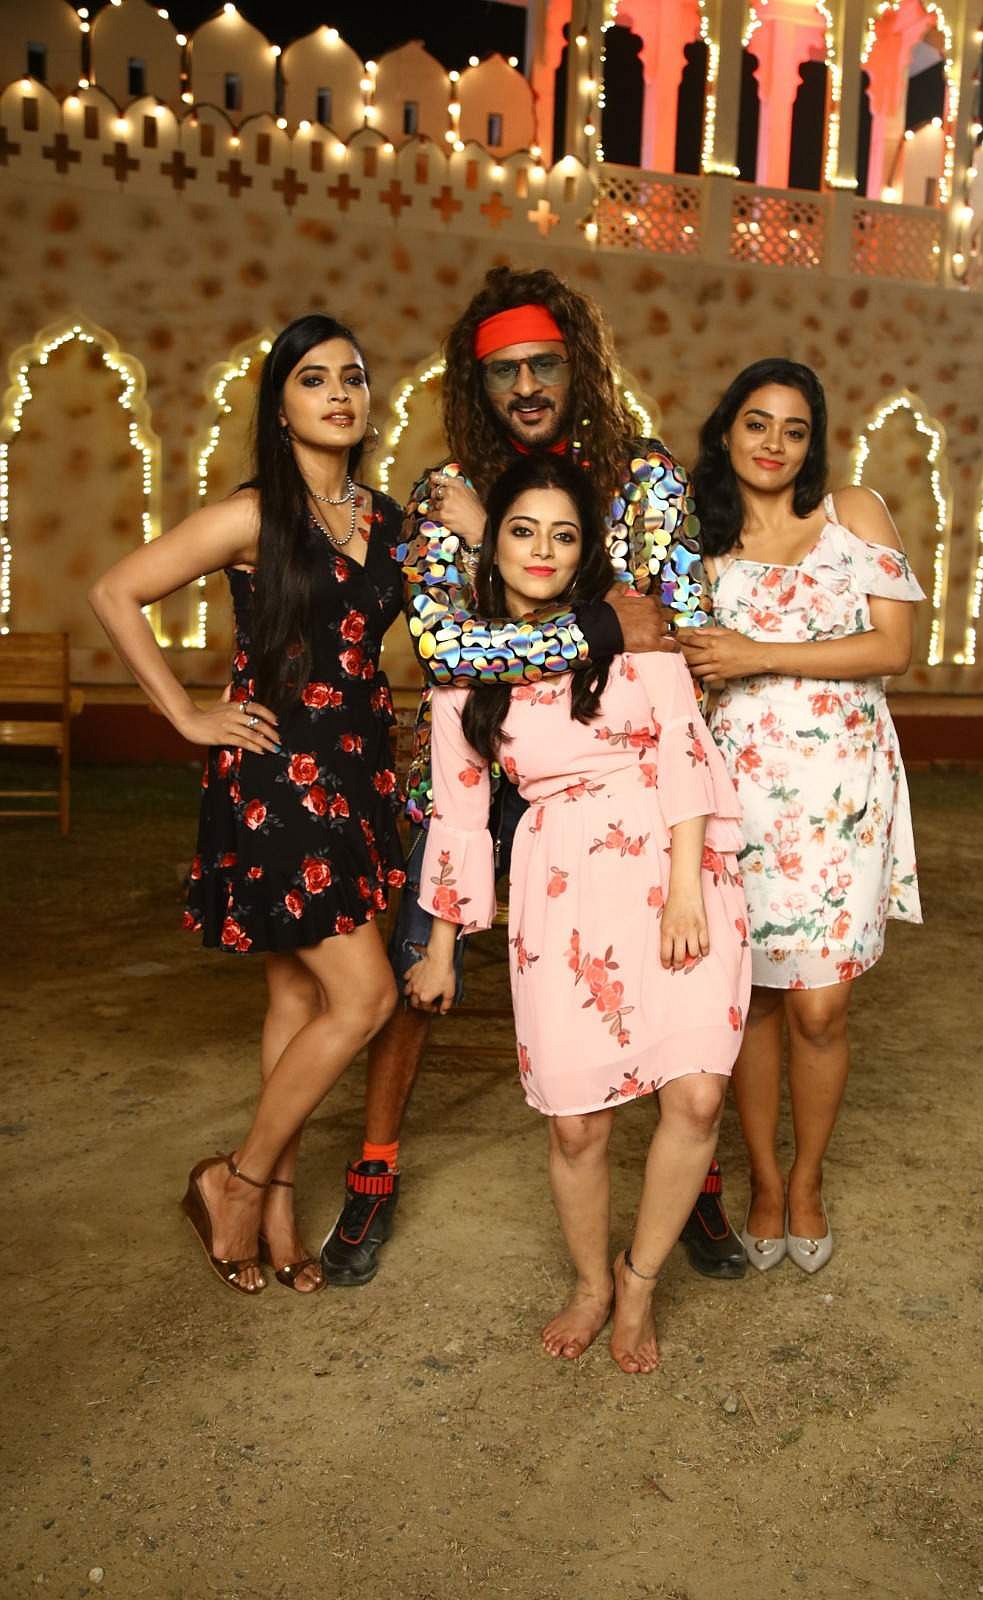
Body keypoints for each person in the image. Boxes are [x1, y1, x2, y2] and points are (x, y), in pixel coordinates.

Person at [320, 265, 748, 1288]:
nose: (524, 386)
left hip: (618, 747)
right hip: (483, 744)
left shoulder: (644, 477)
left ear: (577, 366)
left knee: (678, 960)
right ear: (477, 383)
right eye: (502, 370)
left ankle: (697, 1182)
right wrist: (593, 614)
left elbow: (673, 633)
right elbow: (444, 647)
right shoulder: (444, 491)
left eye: (543, 365)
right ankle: (375, 1166)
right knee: (420, 962)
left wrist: (515, 571)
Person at [405, 453, 751, 1372]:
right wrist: (440, 945)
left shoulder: (630, 629)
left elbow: (683, 750)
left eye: (563, 535)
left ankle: (638, 1282)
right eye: (523, 531)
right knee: (575, 1121)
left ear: (584, 549)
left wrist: (685, 891)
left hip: (677, 866)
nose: (542, 551)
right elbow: (460, 814)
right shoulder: (465, 671)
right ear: (493, 545)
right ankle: (591, 1282)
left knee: (697, 1093)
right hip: (561, 884)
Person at [89, 313, 408, 1295]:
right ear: (279, 406)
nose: (338, 394)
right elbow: (115, 591)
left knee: (298, 998)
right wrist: (185, 714)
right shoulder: (253, 515)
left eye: (352, 377)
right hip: (280, 774)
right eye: (314, 379)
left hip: (361, 774)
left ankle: (275, 1214)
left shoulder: (391, 520)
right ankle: (234, 1179)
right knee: (366, 998)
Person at [679, 358, 924, 1274]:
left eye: (794, 428)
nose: (774, 444)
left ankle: (810, 1178)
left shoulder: (852, 514)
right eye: (757, 423)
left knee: (821, 1006)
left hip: (841, 793)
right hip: (739, 791)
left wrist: (757, 651)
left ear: (813, 442)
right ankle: (766, 1182)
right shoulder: (698, 538)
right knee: (754, 1001)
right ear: (727, 431)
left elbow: (893, 647)